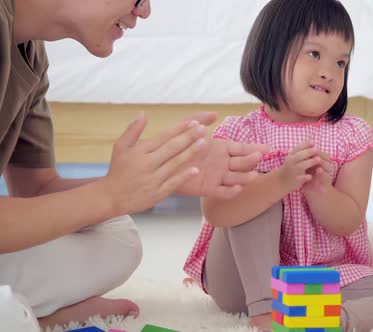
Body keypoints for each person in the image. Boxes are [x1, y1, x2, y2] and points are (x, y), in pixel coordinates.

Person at [0, 0, 267, 329]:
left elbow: (37, 192)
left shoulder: (30, 53)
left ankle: (21, 307)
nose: (145, 11)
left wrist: (161, 177)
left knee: (118, 236)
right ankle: (22, 312)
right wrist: (110, 194)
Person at [183, 1, 373, 331]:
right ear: (272, 52)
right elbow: (217, 213)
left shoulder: (352, 135)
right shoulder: (239, 133)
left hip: (322, 280)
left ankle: (330, 323)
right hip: (241, 283)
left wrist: (319, 189)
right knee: (256, 189)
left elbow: (347, 221)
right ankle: (267, 316)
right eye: (314, 54)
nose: (329, 71)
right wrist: (280, 181)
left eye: (341, 62)